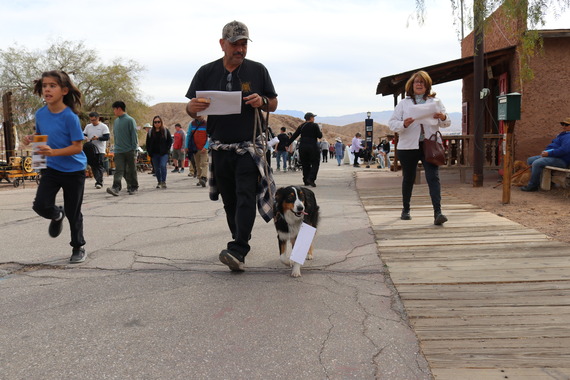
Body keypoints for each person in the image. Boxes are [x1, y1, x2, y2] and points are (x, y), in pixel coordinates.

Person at [185, 20, 278, 272]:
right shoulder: (206, 71)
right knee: (229, 201)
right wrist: (191, 109)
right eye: (235, 44)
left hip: (248, 147)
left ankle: (238, 248)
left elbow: (273, 103)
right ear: (222, 44)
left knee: (246, 195)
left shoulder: (258, 70)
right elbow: (192, 107)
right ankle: (241, 240)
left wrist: (262, 100)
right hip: (219, 148)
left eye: (244, 43)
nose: (240, 49)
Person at [25, 70, 87, 263]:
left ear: (64, 90)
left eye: (52, 86)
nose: (47, 89)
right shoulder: (41, 114)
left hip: (74, 170)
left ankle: (78, 247)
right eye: (45, 86)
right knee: (40, 205)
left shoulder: (70, 117)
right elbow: (43, 138)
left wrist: (53, 152)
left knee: (73, 210)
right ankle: (56, 214)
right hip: (51, 169)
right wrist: (31, 139)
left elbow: (77, 147)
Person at [388, 70, 451, 225]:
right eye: (417, 82)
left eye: (422, 82)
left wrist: (442, 117)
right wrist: (404, 123)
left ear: (427, 85)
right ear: (412, 84)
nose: (419, 84)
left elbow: (446, 123)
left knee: (433, 178)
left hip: (429, 145)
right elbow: (392, 124)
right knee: (408, 178)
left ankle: (438, 213)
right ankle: (406, 209)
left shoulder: (435, 102)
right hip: (408, 146)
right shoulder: (404, 103)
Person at [521, 117, 570, 191]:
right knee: (530, 160)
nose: (563, 126)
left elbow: (564, 150)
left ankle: (533, 186)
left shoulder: (568, 136)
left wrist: (549, 153)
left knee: (537, 163)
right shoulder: (563, 134)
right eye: (562, 124)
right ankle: (538, 182)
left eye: (566, 124)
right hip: (553, 156)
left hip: (561, 160)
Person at [106, 101, 139, 196]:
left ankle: (133, 186)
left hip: (130, 150)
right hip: (118, 151)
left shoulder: (130, 120)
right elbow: (116, 136)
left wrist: (134, 149)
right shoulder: (116, 121)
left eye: (114, 109)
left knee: (131, 170)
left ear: (119, 109)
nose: (114, 111)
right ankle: (116, 188)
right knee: (119, 170)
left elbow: (134, 135)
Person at [288, 112, 322, 187]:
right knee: (315, 163)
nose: (314, 119)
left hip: (302, 146)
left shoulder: (301, 126)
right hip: (312, 146)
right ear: (311, 118)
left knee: (305, 163)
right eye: (313, 117)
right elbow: (319, 136)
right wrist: (320, 129)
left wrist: (287, 144)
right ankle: (311, 178)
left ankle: (306, 180)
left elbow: (294, 135)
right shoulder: (315, 125)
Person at [83, 112, 110, 189]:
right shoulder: (88, 126)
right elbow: (84, 134)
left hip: (100, 149)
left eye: (94, 120)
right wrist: (85, 137)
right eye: (91, 120)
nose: (92, 122)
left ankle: (99, 182)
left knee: (99, 165)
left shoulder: (103, 127)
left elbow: (106, 137)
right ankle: (98, 180)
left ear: (98, 118)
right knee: (93, 165)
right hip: (90, 149)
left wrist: (98, 138)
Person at [146, 115, 173, 189]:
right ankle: (159, 181)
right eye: (155, 122)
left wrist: (167, 149)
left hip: (163, 153)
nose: (157, 123)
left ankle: (163, 181)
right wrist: (149, 152)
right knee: (156, 168)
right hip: (154, 154)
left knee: (162, 166)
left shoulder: (165, 130)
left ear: (161, 122)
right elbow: (147, 143)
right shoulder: (150, 132)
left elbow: (170, 141)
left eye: (158, 122)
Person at [186, 116, 209, 187]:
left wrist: (206, 146)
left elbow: (209, 136)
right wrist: (186, 146)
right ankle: (200, 179)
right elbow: (188, 135)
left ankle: (204, 177)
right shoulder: (192, 124)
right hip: (195, 148)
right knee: (197, 164)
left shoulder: (206, 124)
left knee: (204, 163)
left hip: (204, 149)